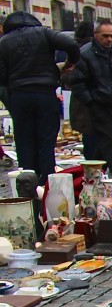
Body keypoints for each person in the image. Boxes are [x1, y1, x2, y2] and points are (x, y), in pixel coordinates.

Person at [0, 11, 80, 182]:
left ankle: (28, 184)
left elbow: (2, 78)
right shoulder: (44, 33)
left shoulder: (3, 42)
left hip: (20, 95)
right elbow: (71, 44)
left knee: (24, 141)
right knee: (46, 141)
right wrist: (69, 63)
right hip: (45, 93)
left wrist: (11, 101)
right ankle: (47, 182)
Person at [70, 19, 112, 180]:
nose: (109, 39)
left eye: (111, 36)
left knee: (107, 140)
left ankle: (96, 171)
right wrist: (90, 100)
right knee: (107, 139)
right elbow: (77, 82)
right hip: (96, 104)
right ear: (95, 35)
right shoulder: (86, 55)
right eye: (105, 36)